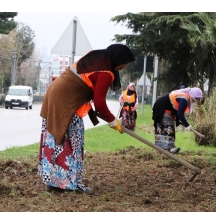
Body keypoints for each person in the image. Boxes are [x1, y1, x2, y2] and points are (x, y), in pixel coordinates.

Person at [38, 44, 135, 194]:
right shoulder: (106, 72)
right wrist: (113, 121)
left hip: (55, 92)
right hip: (66, 100)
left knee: (55, 139)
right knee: (74, 140)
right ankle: (71, 184)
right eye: (125, 62)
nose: (124, 66)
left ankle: (54, 183)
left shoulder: (97, 58)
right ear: (118, 59)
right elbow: (100, 103)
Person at [152, 87, 203, 154]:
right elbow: (179, 114)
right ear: (194, 96)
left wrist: (183, 122)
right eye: (197, 99)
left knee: (166, 128)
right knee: (168, 128)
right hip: (161, 109)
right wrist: (187, 125)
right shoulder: (184, 98)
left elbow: (179, 112)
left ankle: (164, 149)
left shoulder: (185, 98)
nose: (197, 101)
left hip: (167, 110)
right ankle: (170, 148)